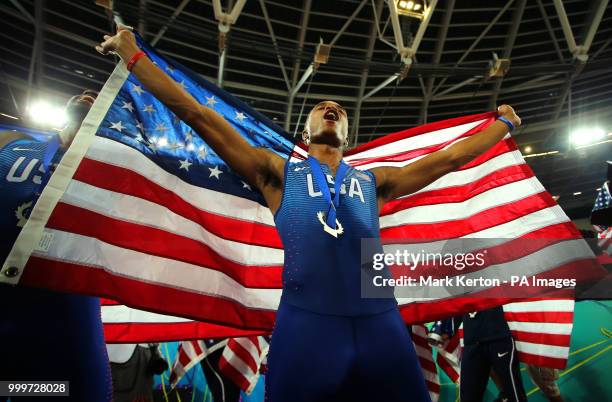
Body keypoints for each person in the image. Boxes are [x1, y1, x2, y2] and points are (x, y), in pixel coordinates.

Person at [96, 27, 521, 402]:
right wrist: (133, 56)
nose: (330, 106)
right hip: (308, 324)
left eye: (339, 108)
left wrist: (503, 125)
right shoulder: (275, 171)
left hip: (381, 320)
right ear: (305, 131)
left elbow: (447, 160)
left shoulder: (376, 181)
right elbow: (197, 114)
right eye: (320, 106)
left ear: (348, 135)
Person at [0, 90, 112, 401]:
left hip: (64, 320)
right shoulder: (9, 142)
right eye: (86, 92)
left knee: (62, 392)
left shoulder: (114, 170)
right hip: (8, 304)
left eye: (102, 96)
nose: (89, 93)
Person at [431, 308, 528, 402]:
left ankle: (505, 395)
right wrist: (444, 329)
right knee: (468, 396)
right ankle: (504, 395)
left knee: (514, 393)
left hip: (498, 336)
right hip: (472, 341)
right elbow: (458, 303)